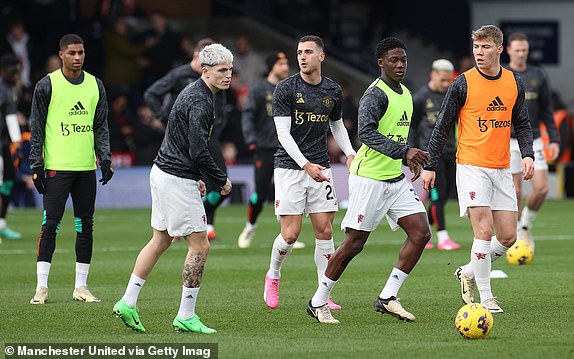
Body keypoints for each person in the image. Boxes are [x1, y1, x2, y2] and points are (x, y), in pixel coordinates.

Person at [307, 37, 431, 324]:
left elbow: (397, 134)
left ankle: (388, 296)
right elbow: (366, 134)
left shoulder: (406, 94)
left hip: (394, 178)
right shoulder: (375, 94)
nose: (400, 65)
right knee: (355, 242)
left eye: (403, 60)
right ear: (381, 63)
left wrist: (407, 158)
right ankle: (318, 301)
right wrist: (405, 152)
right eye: (393, 60)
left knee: (421, 234)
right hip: (369, 178)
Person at [113, 44, 233, 334]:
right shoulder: (201, 100)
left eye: (230, 69)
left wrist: (197, 177)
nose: (228, 75)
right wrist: (220, 179)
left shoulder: (197, 92)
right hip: (175, 178)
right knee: (200, 245)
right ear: (205, 72)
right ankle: (186, 315)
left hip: (165, 172)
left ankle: (128, 302)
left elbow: (183, 140)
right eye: (222, 70)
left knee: (161, 240)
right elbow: (198, 149)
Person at [421, 25, 535, 313]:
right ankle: (486, 298)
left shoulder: (513, 82)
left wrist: (528, 154)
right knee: (483, 231)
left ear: (499, 49)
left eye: (485, 47)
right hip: (471, 165)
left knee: (508, 237)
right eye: (476, 47)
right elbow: (443, 126)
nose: (479, 52)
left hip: (501, 167)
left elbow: (521, 122)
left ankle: (469, 271)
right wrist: (430, 165)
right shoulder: (462, 84)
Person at [263, 35, 356, 311]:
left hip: (321, 167)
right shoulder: (285, 89)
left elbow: (336, 126)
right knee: (290, 235)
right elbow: (282, 133)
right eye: (299, 52)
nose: (302, 57)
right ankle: (273, 275)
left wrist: (350, 153)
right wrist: (305, 165)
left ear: (321, 57)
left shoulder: (332, 90)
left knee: (325, 231)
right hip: (291, 169)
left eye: (307, 52)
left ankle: (323, 293)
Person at [29, 34, 113, 304]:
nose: (78, 57)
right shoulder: (47, 85)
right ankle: (41, 288)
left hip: (85, 169)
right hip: (56, 169)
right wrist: (36, 165)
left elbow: (100, 126)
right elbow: (36, 127)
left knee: (84, 226)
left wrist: (105, 158)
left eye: (81, 53)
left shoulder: (95, 85)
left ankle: (81, 287)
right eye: (72, 53)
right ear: (61, 55)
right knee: (50, 225)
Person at [143, 37, 227, 241]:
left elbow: (220, 107)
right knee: (199, 179)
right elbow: (151, 94)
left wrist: (219, 125)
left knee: (218, 184)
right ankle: (185, 223)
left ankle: (207, 222)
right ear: (197, 55)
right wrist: (164, 117)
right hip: (183, 137)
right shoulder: (181, 76)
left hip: (209, 135)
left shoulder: (217, 78)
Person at [505, 32, 560, 249]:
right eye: (517, 50)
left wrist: (554, 139)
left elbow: (547, 109)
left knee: (542, 188)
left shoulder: (538, 74)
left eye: (524, 50)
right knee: (515, 191)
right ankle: (518, 232)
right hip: (508, 140)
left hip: (534, 138)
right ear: (508, 50)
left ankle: (526, 222)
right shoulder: (502, 74)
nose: (520, 54)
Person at [237, 51, 296, 249]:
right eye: (281, 63)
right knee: (260, 193)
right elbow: (247, 114)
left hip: (286, 148)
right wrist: (251, 139)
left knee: (288, 193)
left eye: (286, 63)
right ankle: (250, 225)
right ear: (272, 66)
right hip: (264, 147)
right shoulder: (259, 89)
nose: (285, 67)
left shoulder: (289, 88)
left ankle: (288, 234)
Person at [409, 59, 461, 250]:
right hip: (428, 155)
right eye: (443, 80)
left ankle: (423, 233)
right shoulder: (421, 98)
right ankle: (443, 237)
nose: (446, 84)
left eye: (449, 80)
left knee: (444, 195)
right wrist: (412, 153)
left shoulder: (450, 96)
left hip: (449, 152)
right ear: (433, 75)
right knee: (438, 195)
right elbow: (412, 128)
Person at [0, 54, 23, 241]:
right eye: (12, 70)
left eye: (17, 69)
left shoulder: (11, 88)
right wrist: (16, 139)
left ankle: (2, 223)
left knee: (9, 179)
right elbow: (8, 117)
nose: (16, 73)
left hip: (4, 143)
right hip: (4, 142)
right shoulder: (2, 88)